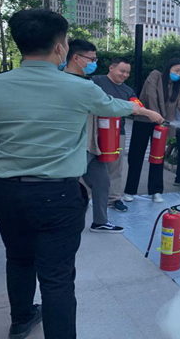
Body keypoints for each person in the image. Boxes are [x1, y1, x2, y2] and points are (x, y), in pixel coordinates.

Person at [0, 9, 163, 339]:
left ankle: (20, 321)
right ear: (60, 47)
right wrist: (145, 110)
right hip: (57, 194)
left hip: (7, 191)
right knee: (57, 276)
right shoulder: (79, 87)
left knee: (18, 260)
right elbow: (115, 106)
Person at [64, 39, 124, 233]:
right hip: (74, 145)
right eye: (91, 59)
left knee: (101, 181)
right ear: (76, 58)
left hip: (91, 143)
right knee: (68, 186)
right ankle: (65, 224)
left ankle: (100, 221)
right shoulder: (65, 82)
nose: (94, 63)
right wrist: (142, 110)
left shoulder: (86, 81)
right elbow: (110, 105)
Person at [124, 58, 180, 203]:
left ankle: (156, 191)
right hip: (144, 121)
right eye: (176, 70)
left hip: (161, 125)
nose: (178, 74)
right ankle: (130, 190)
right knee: (136, 156)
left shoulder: (177, 87)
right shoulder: (155, 76)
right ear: (168, 68)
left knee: (157, 156)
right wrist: (155, 115)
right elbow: (150, 95)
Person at [91, 57, 136, 212]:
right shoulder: (96, 81)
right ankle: (85, 197)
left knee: (115, 167)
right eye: (122, 71)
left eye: (127, 73)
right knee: (89, 164)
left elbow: (137, 107)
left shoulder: (128, 91)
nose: (125, 75)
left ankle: (114, 199)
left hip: (117, 133)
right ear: (111, 68)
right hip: (94, 131)